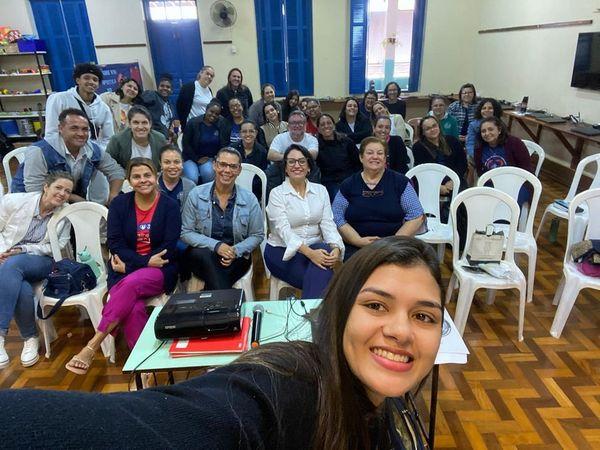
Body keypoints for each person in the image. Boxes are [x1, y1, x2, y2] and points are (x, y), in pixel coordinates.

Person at [0, 236, 442, 449]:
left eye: (424, 316)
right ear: (340, 311)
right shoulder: (287, 384)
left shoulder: (388, 406)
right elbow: (148, 428)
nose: (402, 331)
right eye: (377, 306)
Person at [65, 158, 181, 375]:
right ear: (129, 180)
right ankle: (145, 368)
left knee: (130, 286)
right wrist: (144, 261)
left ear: (155, 176)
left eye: (147, 175)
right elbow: (115, 243)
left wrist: (130, 267)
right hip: (128, 270)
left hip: (160, 270)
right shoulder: (120, 204)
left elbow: (169, 247)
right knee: (134, 307)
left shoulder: (170, 206)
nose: (142, 180)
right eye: (136, 176)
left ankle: (93, 344)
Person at [0, 172, 74, 369]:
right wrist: (2, 252)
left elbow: (56, 246)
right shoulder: (13, 202)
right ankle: (30, 338)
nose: (62, 194)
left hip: (42, 262)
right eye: (58, 188)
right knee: (21, 285)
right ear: (46, 186)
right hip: (6, 259)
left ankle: (0, 335)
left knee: (13, 265)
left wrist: (23, 249)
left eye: (67, 191)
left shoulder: (64, 214)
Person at [265, 145, 344, 299]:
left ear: (309, 167)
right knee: (324, 278)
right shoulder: (277, 194)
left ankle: (310, 318)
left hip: (315, 248)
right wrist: (310, 254)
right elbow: (284, 231)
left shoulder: (321, 191)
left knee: (324, 250)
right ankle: (318, 318)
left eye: (302, 161)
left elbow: (328, 224)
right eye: (292, 162)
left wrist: (336, 248)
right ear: (285, 168)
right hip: (281, 252)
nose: (297, 166)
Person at [181, 148, 264, 290]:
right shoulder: (196, 194)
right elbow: (186, 232)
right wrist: (217, 246)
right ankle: (229, 307)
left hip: (236, 256)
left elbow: (257, 235)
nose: (227, 170)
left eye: (233, 166)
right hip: (202, 255)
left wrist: (234, 251)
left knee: (217, 273)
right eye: (222, 164)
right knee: (205, 256)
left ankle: (216, 304)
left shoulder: (249, 199)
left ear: (239, 170)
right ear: (214, 165)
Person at [332, 137, 425, 261]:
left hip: (394, 246)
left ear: (385, 158)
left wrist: (392, 243)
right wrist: (357, 240)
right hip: (356, 246)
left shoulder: (400, 182)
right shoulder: (348, 184)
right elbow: (337, 216)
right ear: (361, 157)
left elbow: (416, 215)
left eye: (380, 153)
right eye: (370, 153)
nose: (375, 157)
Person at [13, 108, 124, 204]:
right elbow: (34, 191)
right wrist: (74, 198)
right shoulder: (39, 151)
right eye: (74, 128)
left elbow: (116, 171)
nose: (81, 134)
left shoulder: (93, 150)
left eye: (85, 129)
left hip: (64, 200)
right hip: (29, 203)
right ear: (60, 129)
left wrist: (113, 195)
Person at [44, 63, 114, 149]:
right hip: (64, 152)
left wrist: (99, 152)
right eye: (86, 78)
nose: (91, 82)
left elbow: (109, 138)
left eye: (95, 80)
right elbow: (51, 133)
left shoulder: (103, 108)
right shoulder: (59, 99)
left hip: (92, 155)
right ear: (78, 80)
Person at [413, 116, 468, 192]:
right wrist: (438, 186)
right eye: (428, 129)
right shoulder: (418, 147)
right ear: (423, 132)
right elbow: (422, 171)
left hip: (454, 179)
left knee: (462, 194)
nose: (432, 130)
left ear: (438, 126)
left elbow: (462, 164)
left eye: (434, 126)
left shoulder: (452, 141)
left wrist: (453, 180)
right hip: (429, 182)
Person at [106, 105, 167, 171]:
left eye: (144, 123)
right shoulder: (117, 140)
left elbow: (165, 163)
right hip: (125, 179)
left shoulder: (160, 139)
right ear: (129, 124)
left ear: (150, 124)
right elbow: (108, 164)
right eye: (136, 123)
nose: (140, 127)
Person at [182, 100, 230, 184]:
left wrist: (216, 158)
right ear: (206, 110)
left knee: (208, 174)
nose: (213, 115)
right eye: (211, 111)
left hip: (209, 159)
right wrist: (197, 159)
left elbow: (224, 145)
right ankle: (192, 197)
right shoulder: (193, 123)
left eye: (217, 114)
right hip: (190, 158)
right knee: (192, 178)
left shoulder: (222, 125)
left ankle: (206, 196)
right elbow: (186, 144)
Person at [316, 113, 361, 201]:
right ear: (318, 129)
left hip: (349, 179)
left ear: (334, 125)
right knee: (338, 199)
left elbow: (358, 162)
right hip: (330, 182)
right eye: (322, 124)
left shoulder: (346, 141)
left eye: (329, 123)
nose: (326, 126)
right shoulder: (316, 146)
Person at [232, 120, 268, 200]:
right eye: (244, 132)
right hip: (233, 188)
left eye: (251, 131)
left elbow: (261, 176)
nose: (248, 134)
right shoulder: (232, 150)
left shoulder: (262, 151)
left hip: (254, 191)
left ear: (256, 133)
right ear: (240, 134)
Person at [157, 144, 196, 213]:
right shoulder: (152, 185)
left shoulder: (190, 187)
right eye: (167, 162)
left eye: (176, 162)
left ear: (182, 163)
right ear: (160, 164)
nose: (172, 166)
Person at [140, 73, 178, 139]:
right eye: (162, 86)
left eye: (168, 87)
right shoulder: (152, 95)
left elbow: (169, 122)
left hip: (165, 139)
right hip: (153, 138)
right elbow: (139, 102)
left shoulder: (170, 104)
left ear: (171, 90)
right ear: (158, 87)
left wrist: (172, 132)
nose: (165, 88)